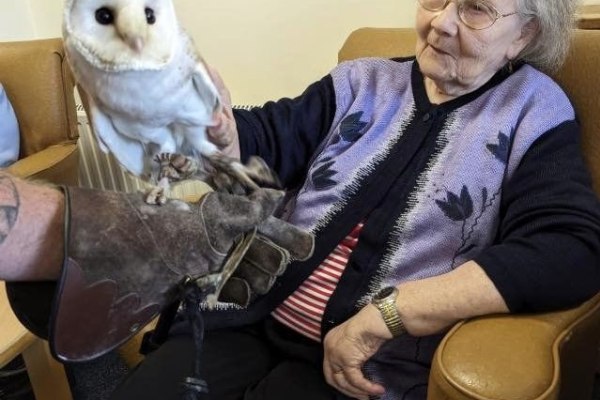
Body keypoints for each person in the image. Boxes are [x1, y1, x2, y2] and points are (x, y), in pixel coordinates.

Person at [1, 0, 600, 399]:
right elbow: (263, 142)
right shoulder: (362, 81)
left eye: (475, 8)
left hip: (360, 364)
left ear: (526, 31)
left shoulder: (533, 111)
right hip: (246, 313)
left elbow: (568, 249)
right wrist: (208, 118)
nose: (441, 22)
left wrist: (391, 315)